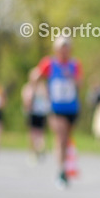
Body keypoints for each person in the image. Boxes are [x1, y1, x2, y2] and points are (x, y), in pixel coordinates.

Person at [29, 35, 82, 188]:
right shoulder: (49, 63)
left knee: (66, 139)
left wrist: (71, 78)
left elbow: (80, 84)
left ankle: (64, 166)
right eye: (61, 48)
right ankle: (61, 171)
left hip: (71, 107)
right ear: (56, 49)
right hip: (55, 108)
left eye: (66, 48)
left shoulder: (74, 65)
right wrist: (40, 92)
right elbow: (35, 77)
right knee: (61, 136)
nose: (64, 51)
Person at [21, 78, 50, 162]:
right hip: (33, 113)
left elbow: (47, 99)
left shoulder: (42, 88)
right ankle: (34, 150)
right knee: (33, 133)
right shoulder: (28, 88)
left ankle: (39, 148)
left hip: (40, 113)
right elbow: (26, 100)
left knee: (39, 133)